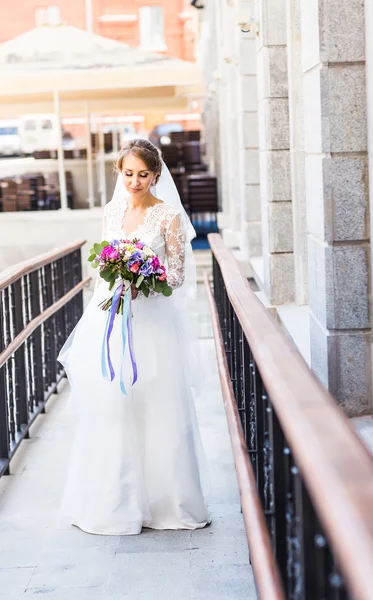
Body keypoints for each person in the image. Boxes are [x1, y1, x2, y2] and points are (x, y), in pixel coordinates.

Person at [57, 139, 210, 535]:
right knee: (112, 407)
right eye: (128, 174)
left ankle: (165, 503)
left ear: (156, 175)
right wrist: (116, 274)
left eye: (144, 174)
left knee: (159, 408)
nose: (135, 181)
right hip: (110, 319)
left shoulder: (168, 216)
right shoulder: (112, 211)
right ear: (118, 174)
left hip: (153, 322)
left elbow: (176, 275)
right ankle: (116, 501)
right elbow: (103, 261)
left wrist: (143, 277)